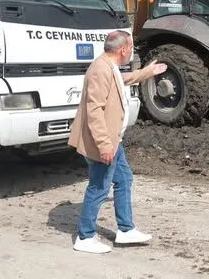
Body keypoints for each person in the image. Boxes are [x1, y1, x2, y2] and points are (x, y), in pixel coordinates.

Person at [68, 30, 167, 254]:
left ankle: (125, 229)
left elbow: (122, 80)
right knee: (99, 187)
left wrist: (147, 72)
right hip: (104, 142)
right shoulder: (100, 70)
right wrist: (104, 145)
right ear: (123, 49)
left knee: (124, 179)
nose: (131, 51)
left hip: (114, 139)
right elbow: (94, 111)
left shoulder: (108, 66)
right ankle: (85, 237)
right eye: (131, 47)